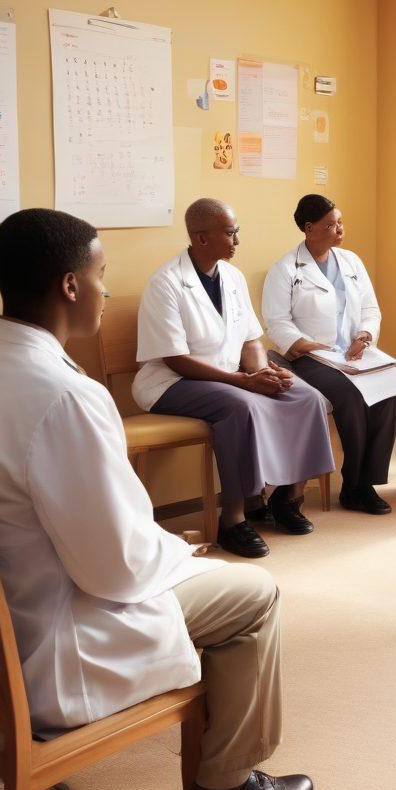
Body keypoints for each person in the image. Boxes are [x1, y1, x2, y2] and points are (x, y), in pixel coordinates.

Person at [0, 208, 313, 790]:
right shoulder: (63, 395)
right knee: (254, 595)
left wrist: (158, 543)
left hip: (12, 614)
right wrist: (176, 550)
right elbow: (114, 567)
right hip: (57, 641)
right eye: (102, 273)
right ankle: (226, 789)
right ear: (70, 285)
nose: (108, 290)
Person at [132, 198, 335, 558]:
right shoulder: (166, 283)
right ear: (201, 237)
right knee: (239, 407)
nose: (237, 240)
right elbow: (176, 359)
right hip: (172, 382)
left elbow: (250, 338)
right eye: (230, 233)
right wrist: (243, 381)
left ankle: (286, 498)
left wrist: (261, 371)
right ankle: (234, 519)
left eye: (237, 231)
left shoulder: (232, 276)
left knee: (306, 396)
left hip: (230, 375)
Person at [262, 194, 396, 515]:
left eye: (340, 222)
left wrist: (365, 335)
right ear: (309, 228)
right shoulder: (285, 268)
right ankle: (354, 486)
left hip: (355, 352)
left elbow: (371, 308)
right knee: (351, 396)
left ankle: (365, 482)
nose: (339, 229)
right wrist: (306, 344)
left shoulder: (351, 262)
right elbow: (276, 322)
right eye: (331, 225)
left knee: (393, 392)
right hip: (309, 358)